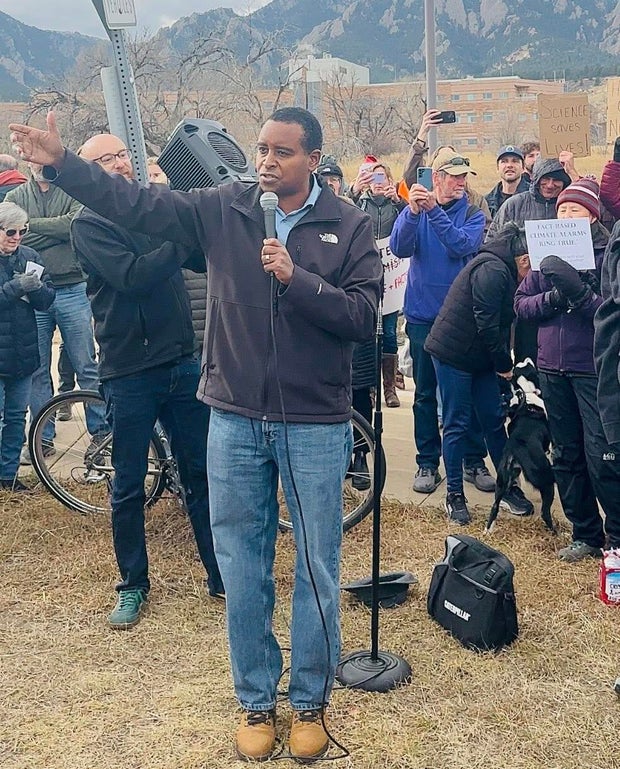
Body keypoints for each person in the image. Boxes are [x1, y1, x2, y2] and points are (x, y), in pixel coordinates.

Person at [10, 107, 382, 762]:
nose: (266, 161)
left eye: (283, 152)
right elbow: (133, 203)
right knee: (243, 566)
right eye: (261, 149)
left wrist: (298, 281)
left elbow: (362, 315)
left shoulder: (347, 224)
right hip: (234, 416)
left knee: (317, 566)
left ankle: (310, 702)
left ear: (315, 159)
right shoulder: (223, 207)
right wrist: (61, 163)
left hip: (314, 423)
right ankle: (256, 701)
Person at [61, 133, 224, 629]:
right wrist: (179, 239)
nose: (116, 165)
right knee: (129, 483)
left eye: (120, 155)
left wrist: (199, 229)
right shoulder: (88, 225)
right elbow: (132, 276)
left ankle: (221, 575)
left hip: (181, 361)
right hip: (129, 369)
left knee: (201, 475)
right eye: (102, 159)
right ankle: (132, 584)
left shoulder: (156, 209)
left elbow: (198, 258)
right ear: (86, 173)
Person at [389, 147, 505, 499]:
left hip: (462, 323)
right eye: (453, 176)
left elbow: (460, 245)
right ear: (435, 178)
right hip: (424, 318)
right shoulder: (417, 211)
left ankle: (473, 459)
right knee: (425, 394)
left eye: (463, 176)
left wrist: (434, 212)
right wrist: (412, 211)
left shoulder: (472, 214)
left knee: (466, 395)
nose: (460, 182)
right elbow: (399, 247)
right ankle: (427, 460)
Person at [514, 179, 620, 561]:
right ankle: (585, 533)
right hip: (551, 368)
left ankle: (618, 535)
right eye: (561, 210)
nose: (566, 215)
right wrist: (554, 297)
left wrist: (581, 295)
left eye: (575, 210)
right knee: (567, 454)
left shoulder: (609, 254)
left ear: (592, 216)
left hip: (592, 369)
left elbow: (609, 313)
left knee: (602, 454)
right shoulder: (547, 256)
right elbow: (522, 305)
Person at [424, 222, 534, 524]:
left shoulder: (502, 267)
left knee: (494, 421)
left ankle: (507, 487)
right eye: (532, 271)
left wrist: (498, 362)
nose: (530, 280)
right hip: (454, 354)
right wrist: (504, 366)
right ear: (523, 260)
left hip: (480, 356)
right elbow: (487, 325)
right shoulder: (492, 270)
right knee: (456, 423)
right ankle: (455, 495)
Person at [5, 162, 103, 460]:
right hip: (31, 292)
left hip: (73, 288)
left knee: (85, 363)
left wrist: (34, 226)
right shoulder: (16, 196)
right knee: (38, 369)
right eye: (34, 161)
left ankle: (101, 434)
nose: (19, 236)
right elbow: (23, 232)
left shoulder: (71, 190)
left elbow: (75, 224)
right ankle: (42, 438)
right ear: (27, 163)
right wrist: (57, 230)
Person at [0, 201, 54, 490]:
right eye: (10, 231)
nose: (17, 237)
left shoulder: (29, 256)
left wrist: (37, 288)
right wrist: (16, 288)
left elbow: (47, 301)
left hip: (22, 354)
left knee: (15, 419)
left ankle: (8, 478)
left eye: (23, 231)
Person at [355, 161, 406, 408]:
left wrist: (397, 200)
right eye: (373, 178)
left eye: (382, 177)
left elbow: (411, 219)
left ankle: (389, 388)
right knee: (367, 334)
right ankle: (371, 387)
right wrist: (355, 191)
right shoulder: (360, 203)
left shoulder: (396, 206)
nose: (377, 183)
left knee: (388, 334)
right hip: (366, 275)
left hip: (392, 277)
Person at [485, 145, 530, 219]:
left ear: (523, 168)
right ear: (497, 168)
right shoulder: (487, 202)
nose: (509, 165)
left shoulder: (534, 196)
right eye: (504, 161)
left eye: (515, 161)